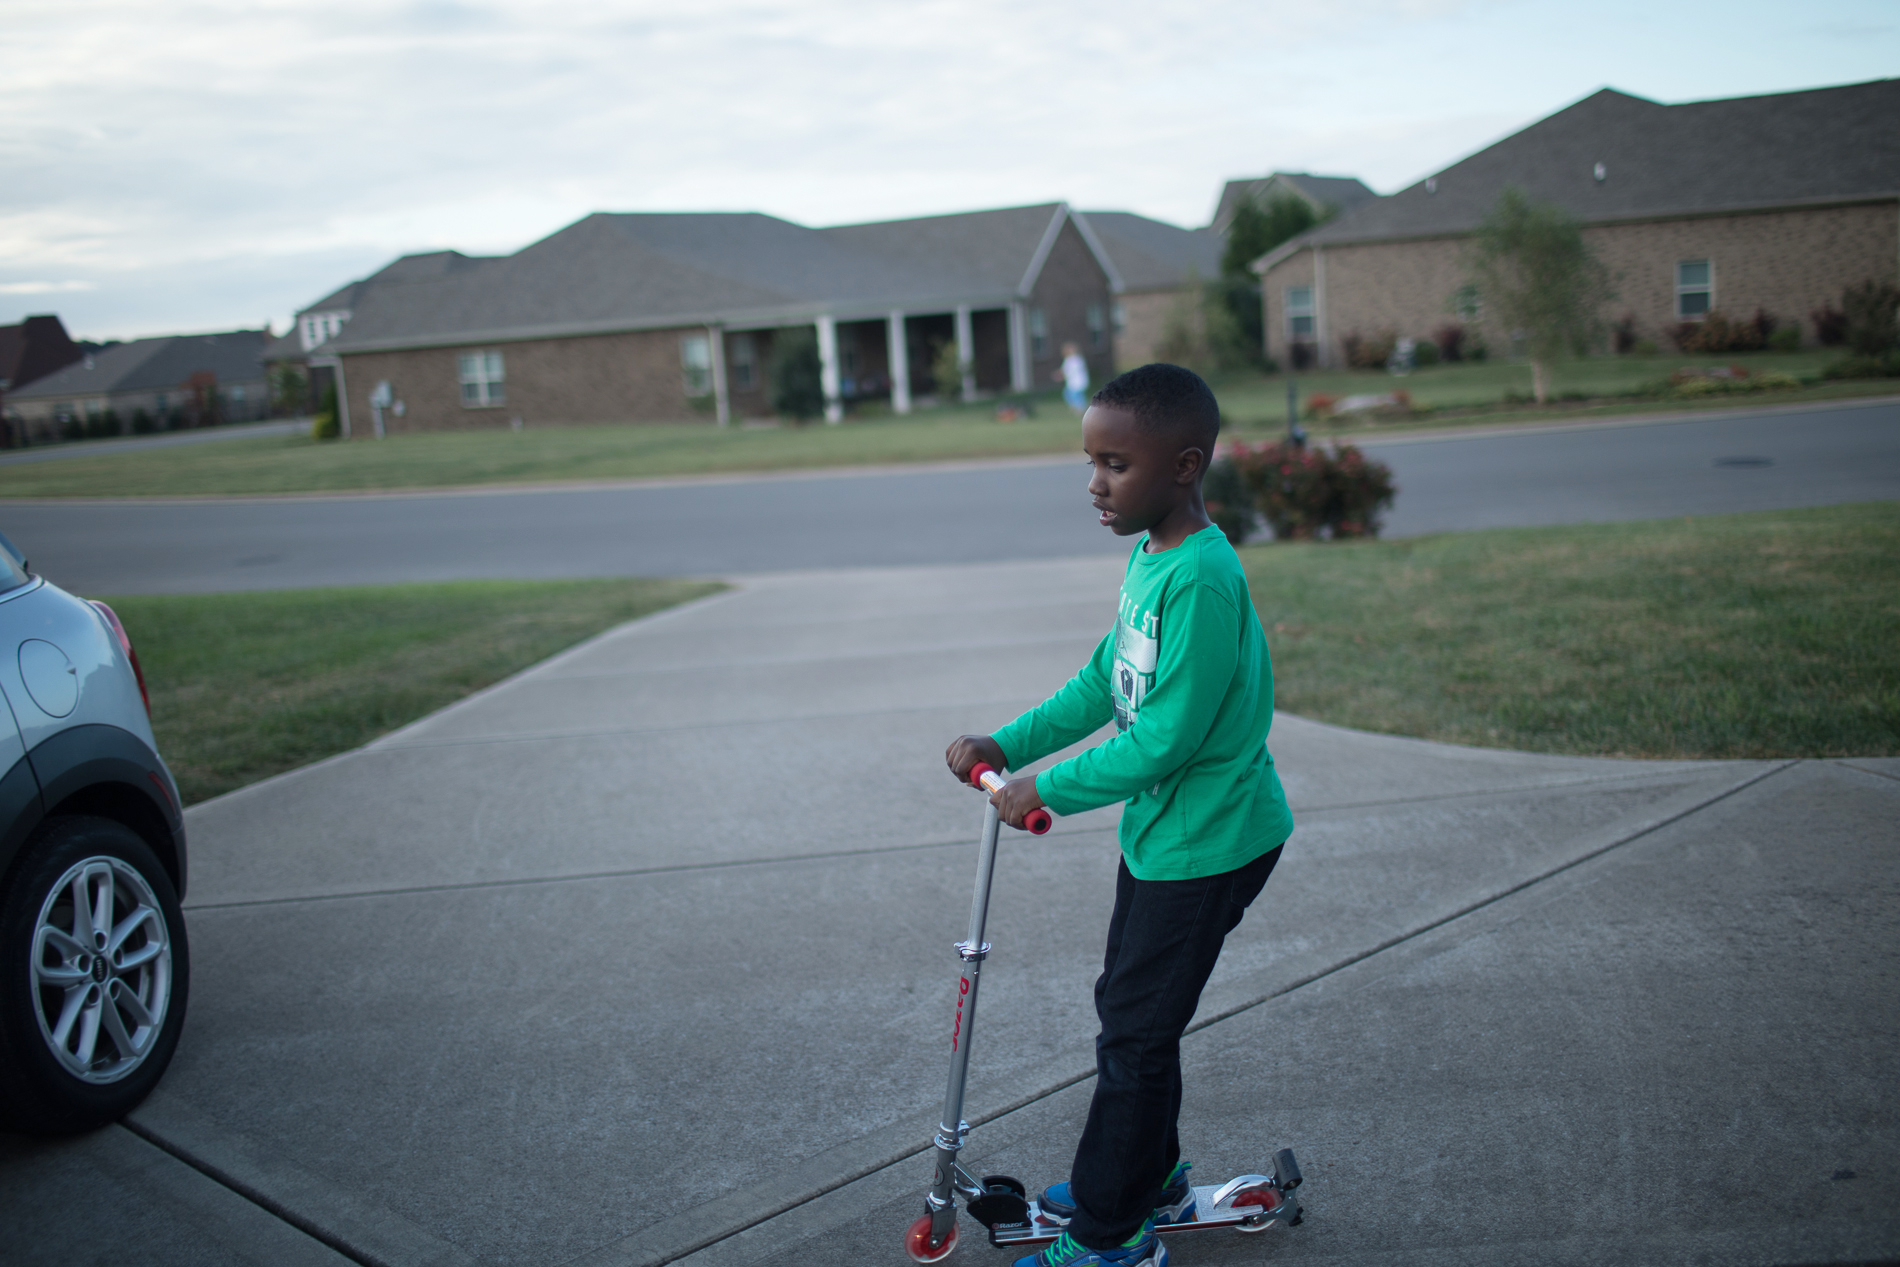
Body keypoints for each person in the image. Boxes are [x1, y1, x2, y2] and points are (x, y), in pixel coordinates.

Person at [946, 363, 1293, 1267]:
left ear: (1183, 466)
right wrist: (1008, 743)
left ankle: (1113, 1231)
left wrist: (1044, 790)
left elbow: (1165, 740)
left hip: (1211, 843)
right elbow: (1105, 680)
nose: (1095, 483)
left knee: (1135, 1034)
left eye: (1115, 464)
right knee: (1130, 1015)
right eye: (1091, 461)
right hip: (1164, 837)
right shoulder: (1150, 558)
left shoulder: (1204, 579)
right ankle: (1153, 1169)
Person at [1058, 342, 1091, 413]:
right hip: (1072, 382)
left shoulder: (1078, 359)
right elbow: (1064, 370)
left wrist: (1063, 375)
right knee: (1067, 394)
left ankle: (1081, 408)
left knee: (1077, 396)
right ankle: (1077, 407)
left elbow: (1071, 370)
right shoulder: (1068, 360)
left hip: (1078, 381)